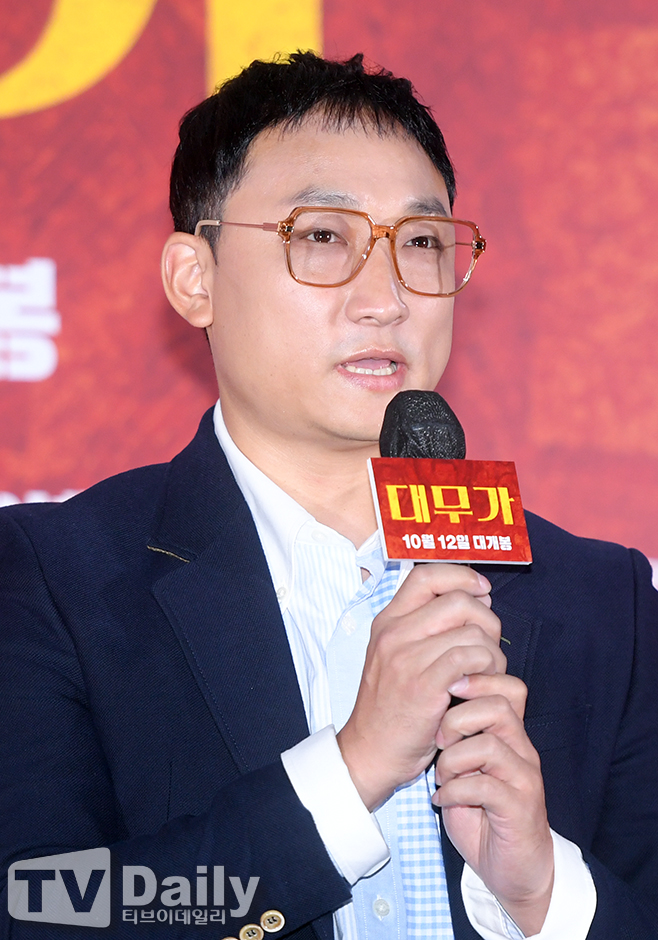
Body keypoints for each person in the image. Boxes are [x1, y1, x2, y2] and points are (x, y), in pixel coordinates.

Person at [1, 51, 657, 940]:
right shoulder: (51, 580)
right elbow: (43, 907)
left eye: (421, 243)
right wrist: (348, 777)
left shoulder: (604, 601)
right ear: (195, 278)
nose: (386, 299)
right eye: (321, 237)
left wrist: (546, 893)